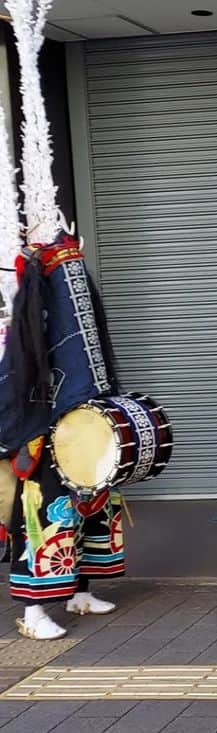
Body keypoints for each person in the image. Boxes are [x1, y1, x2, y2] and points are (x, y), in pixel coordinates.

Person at [0, 235, 126, 640]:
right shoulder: (19, 311)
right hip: (40, 434)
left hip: (77, 429)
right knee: (43, 519)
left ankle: (80, 593)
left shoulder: (62, 300)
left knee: (90, 509)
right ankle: (32, 612)